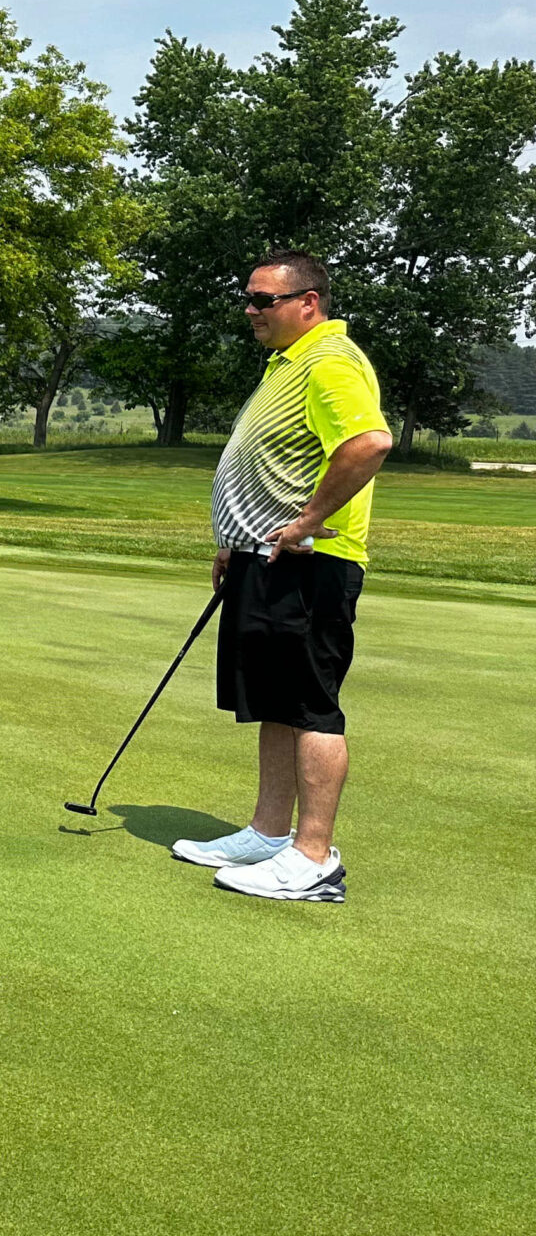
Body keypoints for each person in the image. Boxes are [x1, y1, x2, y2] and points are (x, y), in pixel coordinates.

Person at [171, 251, 393, 904]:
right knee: (273, 702)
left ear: (308, 303)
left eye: (263, 300)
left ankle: (313, 857)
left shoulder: (329, 361)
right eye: (248, 298)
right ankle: (269, 835)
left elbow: (369, 443)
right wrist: (235, 541)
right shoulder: (286, 362)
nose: (250, 310)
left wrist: (308, 520)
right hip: (263, 559)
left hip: (311, 564)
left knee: (311, 707)